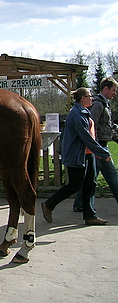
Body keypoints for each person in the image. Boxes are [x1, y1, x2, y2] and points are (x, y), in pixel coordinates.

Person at [41, 88, 111, 225]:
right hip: (77, 156)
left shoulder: (85, 112)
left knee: (90, 184)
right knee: (75, 185)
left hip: (88, 154)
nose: (92, 98)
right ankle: (48, 205)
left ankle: (90, 215)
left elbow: (91, 135)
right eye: (89, 96)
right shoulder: (76, 114)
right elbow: (85, 137)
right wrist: (102, 152)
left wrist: (95, 152)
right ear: (82, 98)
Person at [73, 77, 118, 211]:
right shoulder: (98, 105)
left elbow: (107, 126)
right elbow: (92, 127)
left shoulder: (105, 104)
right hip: (99, 147)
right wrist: (97, 149)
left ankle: (80, 203)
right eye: (113, 90)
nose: (115, 93)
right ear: (106, 89)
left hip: (99, 146)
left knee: (90, 179)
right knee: (112, 176)